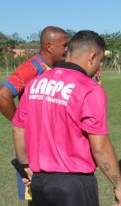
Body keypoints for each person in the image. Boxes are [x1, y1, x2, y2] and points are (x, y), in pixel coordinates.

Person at [12, 30, 121, 206]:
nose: (99, 66)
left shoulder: (36, 82)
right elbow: (100, 146)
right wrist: (119, 185)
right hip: (74, 186)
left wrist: (25, 165)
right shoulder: (89, 88)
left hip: (39, 184)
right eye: (100, 61)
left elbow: (18, 128)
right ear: (92, 56)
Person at [0, 26, 68, 202]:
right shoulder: (32, 67)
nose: (67, 49)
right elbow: (3, 95)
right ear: (49, 46)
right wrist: (22, 125)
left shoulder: (55, 67)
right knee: (38, 196)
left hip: (52, 143)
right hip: (35, 145)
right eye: (64, 45)